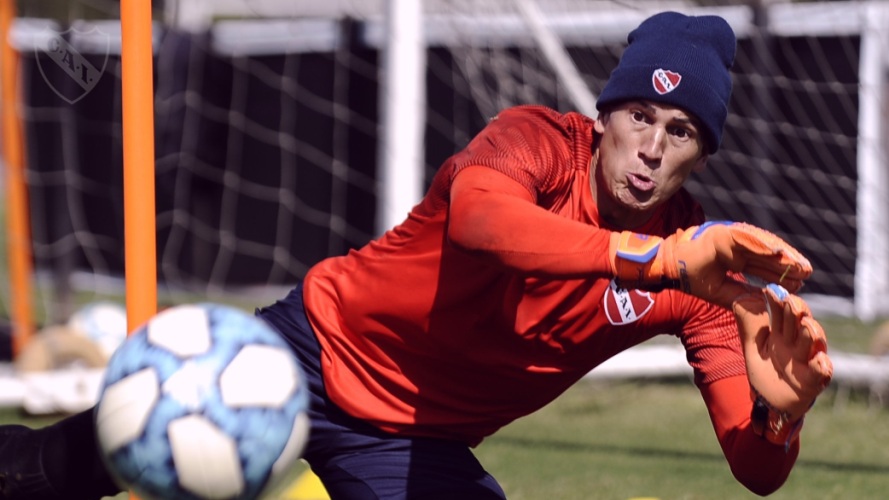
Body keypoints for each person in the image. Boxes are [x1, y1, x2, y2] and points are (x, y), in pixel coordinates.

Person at [0, 11, 833, 500]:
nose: (651, 147)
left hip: (412, 443)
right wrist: (650, 261)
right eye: (638, 119)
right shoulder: (538, 141)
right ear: (604, 115)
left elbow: (755, 471)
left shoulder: (701, 274)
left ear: (703, 154)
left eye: (680, 132)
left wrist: (780, 415)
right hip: (311, 351)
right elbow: (481, 220)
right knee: (64, 466)